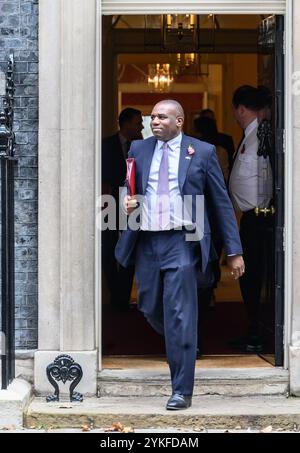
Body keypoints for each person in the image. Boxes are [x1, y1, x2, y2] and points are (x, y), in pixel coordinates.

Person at [115, 99, 244, 410]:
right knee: (148, 305)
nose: (155, 122)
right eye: (153, 117)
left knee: (180, 315)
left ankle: (181, 390)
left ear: (179, 121)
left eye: (162, 117)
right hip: (147, 241)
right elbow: (128, 189)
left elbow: (221, 203)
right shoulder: (139, 150)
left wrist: (234, 251)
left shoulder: (201, 152)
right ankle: (183, 336)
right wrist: (125, 202)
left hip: (183, 241)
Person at [229, 85, 273, 352]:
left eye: (235, 110)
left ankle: (258, 331)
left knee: (253, 276)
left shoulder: (262, 134)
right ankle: (254, 328)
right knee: (248, 277)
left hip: (259, 218)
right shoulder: (251, 134)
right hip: (250, 218)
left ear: (241, 109)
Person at [102, 107, 144, 311]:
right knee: (108, 250)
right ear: (125, 124)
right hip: (109, 203)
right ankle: (116, 295)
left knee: (132, 249)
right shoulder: (105, 145)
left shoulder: (143, 147)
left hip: (135, 206)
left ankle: (123, 297)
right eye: (138, 123)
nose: (142, 126)